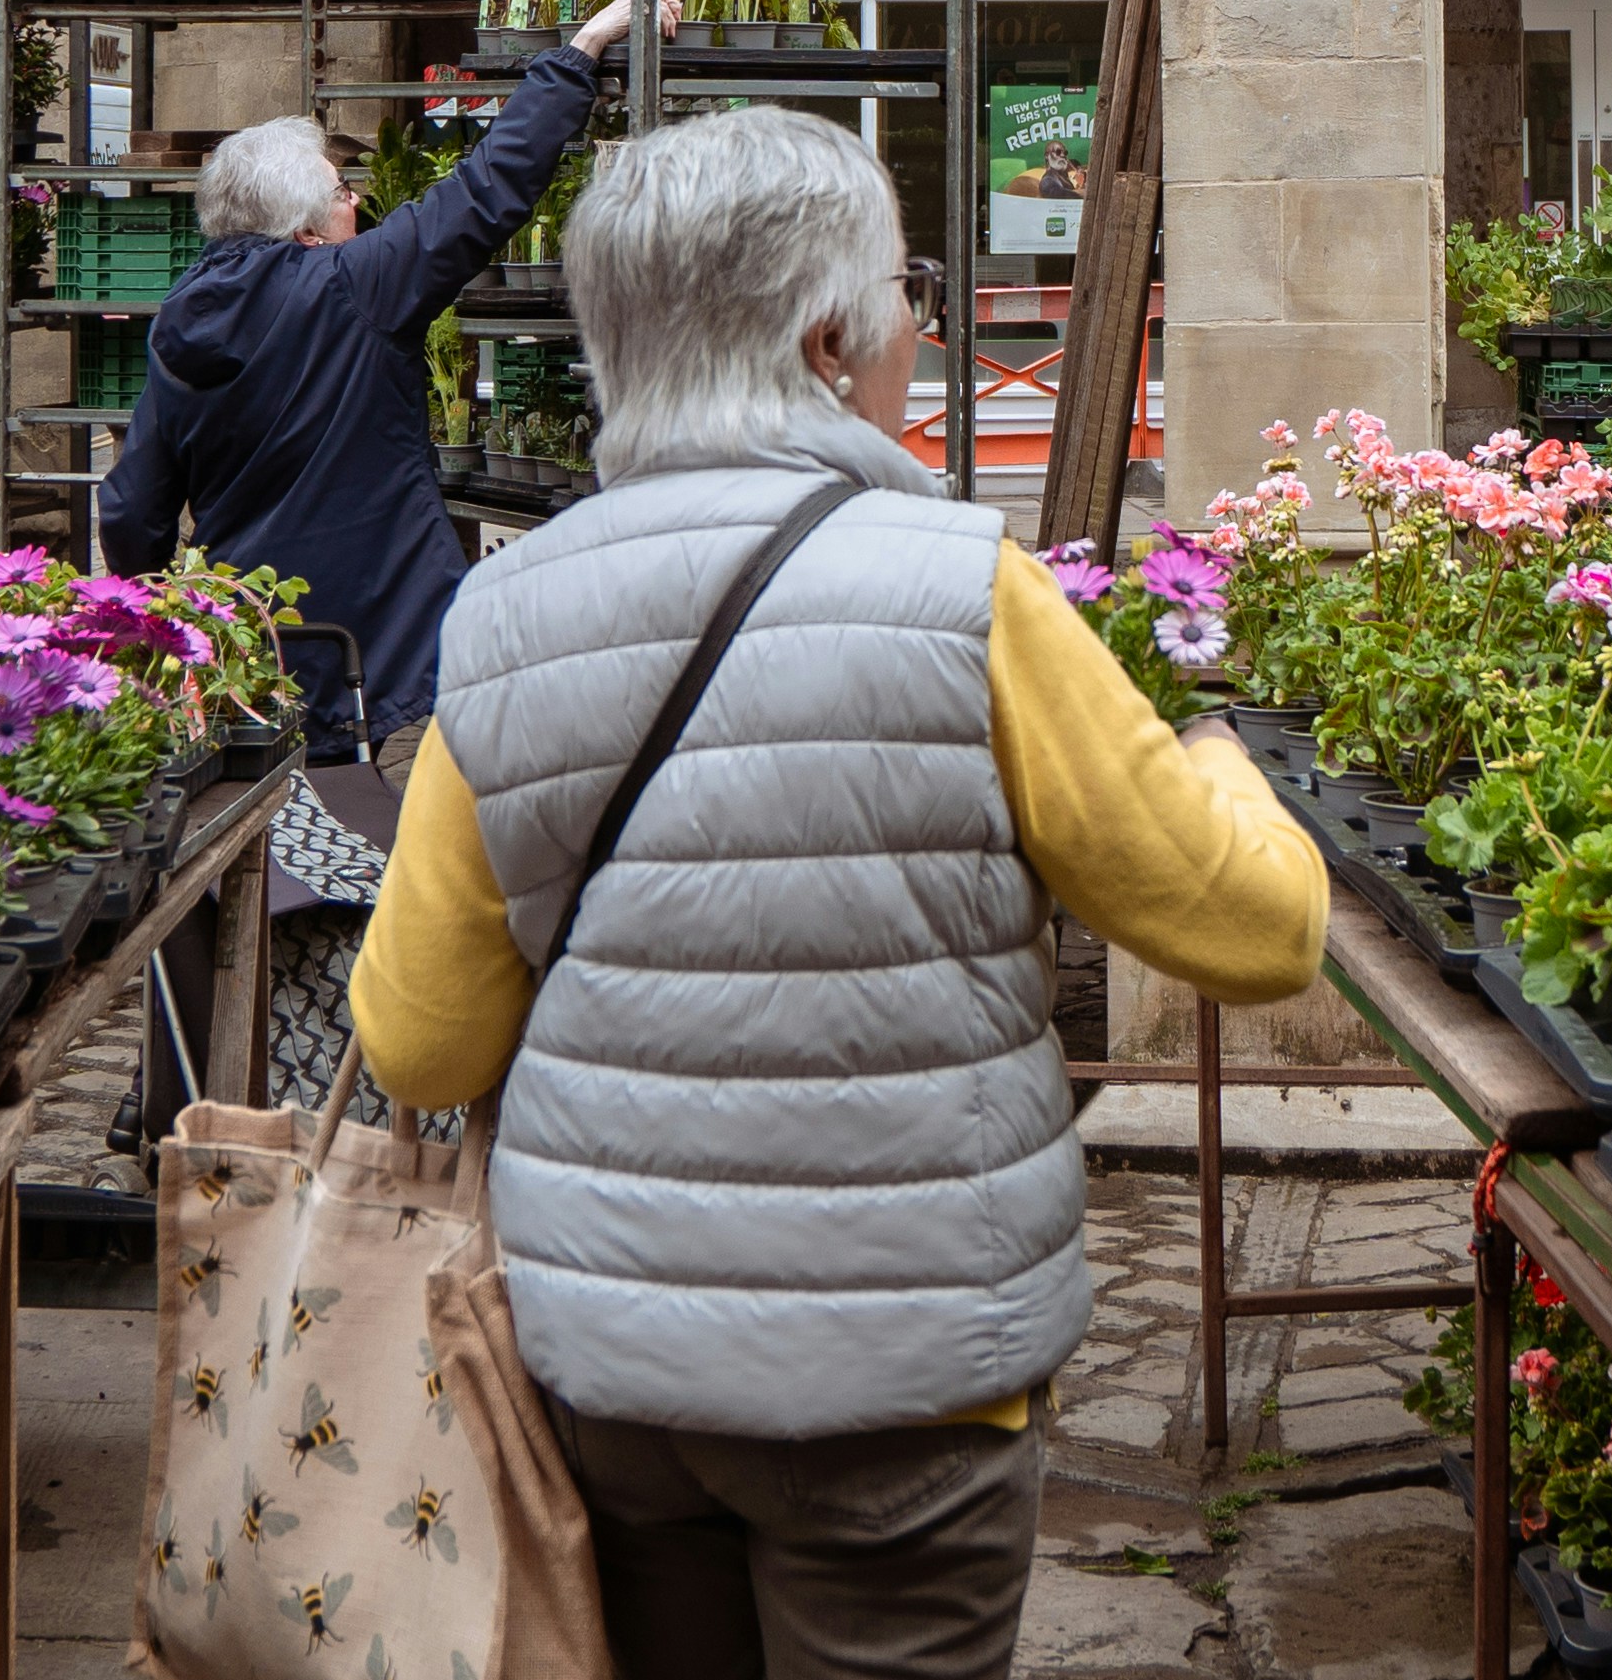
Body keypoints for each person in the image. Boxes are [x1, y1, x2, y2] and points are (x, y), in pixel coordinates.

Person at [347, 104, 1324, 1680]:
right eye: (908, 294)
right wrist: (1219, 759)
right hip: (906, 1384)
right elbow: (1254, 931)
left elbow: (421, 1043)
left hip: (620, 1381)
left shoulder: (503, 615)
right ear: (829, 337)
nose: (917, 331)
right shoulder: (961, 590)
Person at [98, 0, 638, 759]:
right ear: (309, 226)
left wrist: (158, 630)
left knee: (283, 846)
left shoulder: (179, 320)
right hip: (384, 649)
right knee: (388, 835)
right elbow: (487, 189)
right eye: (345, 193)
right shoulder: (354, 282)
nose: (359, 206)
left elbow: (130, 504)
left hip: (256, 649)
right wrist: (580, 50)